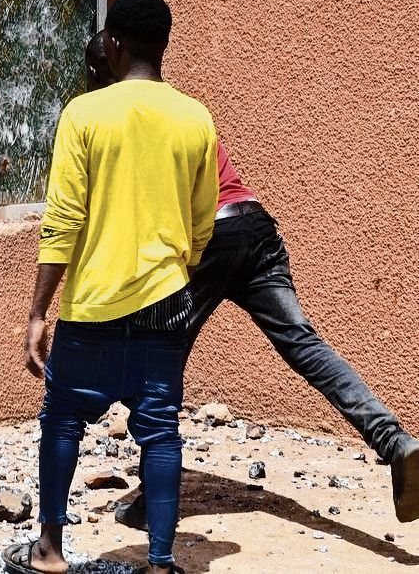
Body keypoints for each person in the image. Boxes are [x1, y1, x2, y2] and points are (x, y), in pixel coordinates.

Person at [82, 31, 419, 528]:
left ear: (104, 68)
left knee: (156, 360)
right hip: (254, 223)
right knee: (302, 343)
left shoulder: (122, 119)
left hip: (209, 239)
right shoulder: (178, 107)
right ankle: (395, 442)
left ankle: (155, 498)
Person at [3, 0, 218, 574]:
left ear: (115, 45)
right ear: (163, 46)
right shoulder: (196, 118)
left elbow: (64, 220)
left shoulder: (85, 114)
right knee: (160, 430)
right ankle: (159, 561)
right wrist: (173, 275)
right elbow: (202, 226)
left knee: (63, 421)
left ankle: (49, 550)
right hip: (167, 305)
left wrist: (37, 313)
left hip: (93, 308)